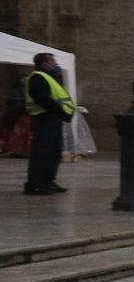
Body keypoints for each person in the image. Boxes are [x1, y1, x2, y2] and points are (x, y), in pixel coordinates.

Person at [20, 52, 73, 196]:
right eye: (52, 61)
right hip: (44, 119)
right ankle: (34, 184)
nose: (55, 63)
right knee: (41, 153)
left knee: (53, 153)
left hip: (53, 120)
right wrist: (62, 112)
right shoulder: (37, 77)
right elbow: (43, 99)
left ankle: (48, 181)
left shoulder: (50, 77)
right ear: (44, 63)